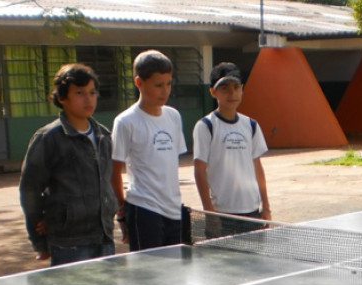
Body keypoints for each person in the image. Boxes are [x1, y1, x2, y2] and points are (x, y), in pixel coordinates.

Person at [19, 63, 120, 285]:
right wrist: (39, 239)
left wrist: (112, 214)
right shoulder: (49, 138)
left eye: (92, 92)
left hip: (102, 236)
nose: (88, 99)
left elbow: (106, 182)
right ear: (61, 98)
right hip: (69, 239)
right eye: (79, 93)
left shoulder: (103, 134)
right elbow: (31, 190)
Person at [111, 50, 187, 251]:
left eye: (169, 84)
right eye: (158, 85)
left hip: (174, 211)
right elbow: (114, 171)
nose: (165, 91)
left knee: (174, 271)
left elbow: (169, 164)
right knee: (148, 275)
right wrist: (122, 213)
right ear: (139, 83)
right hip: (143, 209)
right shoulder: (125, 121)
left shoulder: (174, 117)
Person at [193, 62, 271, 221]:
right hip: (222, 211)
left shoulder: (251, 125)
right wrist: (209, 211)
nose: (232, 93)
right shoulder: (206, 126)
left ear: (242, 89)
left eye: (236, 87)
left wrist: (266, 206)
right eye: (224, 88)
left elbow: (257, 167)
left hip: (252, 210)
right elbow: (199, 170)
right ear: (213, 92)